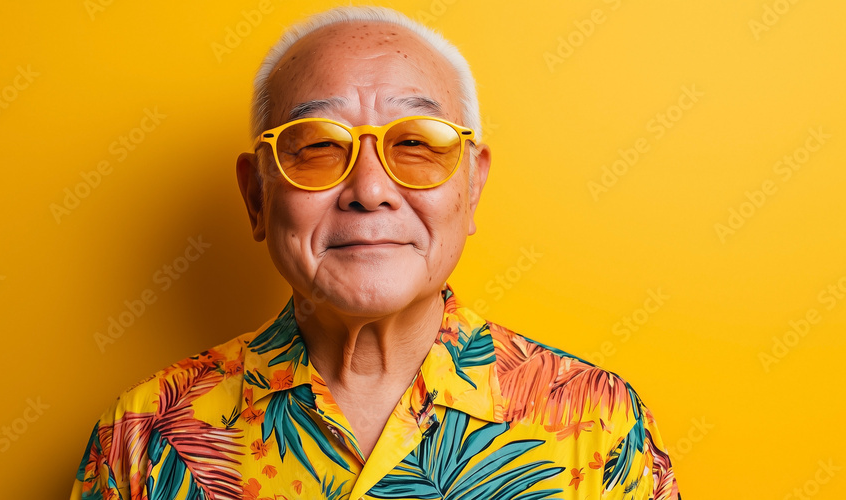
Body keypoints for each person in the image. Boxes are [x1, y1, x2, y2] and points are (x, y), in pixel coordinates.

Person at [69, 6, 680, 499]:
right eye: (316, 148)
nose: (369, 190)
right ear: (256, 196)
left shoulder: (598, 425)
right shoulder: (146, 440)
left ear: (472, 187)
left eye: (416, 143)